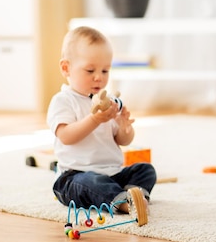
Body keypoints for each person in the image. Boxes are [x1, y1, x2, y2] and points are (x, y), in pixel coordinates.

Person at [47, 26, 157, 213]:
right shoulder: (63, 100)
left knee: (145, 170)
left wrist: (125, 129)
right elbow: (65, 136)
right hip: (75, 176)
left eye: (105, 71)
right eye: (90, 71)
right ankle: (123, 202)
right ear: (66, 68)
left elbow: (121, 141)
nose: (99, 77)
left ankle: (134, 195)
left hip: (112, 173)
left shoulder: (110, 103)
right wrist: (94, 120)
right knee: (89, 183)